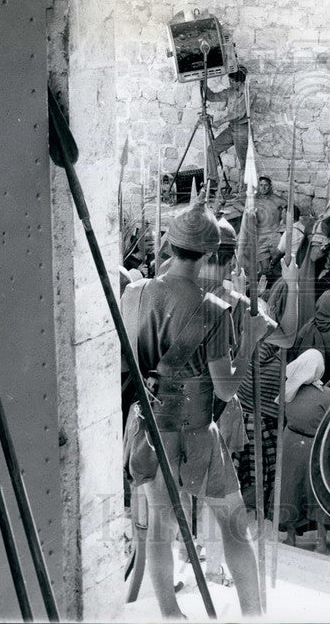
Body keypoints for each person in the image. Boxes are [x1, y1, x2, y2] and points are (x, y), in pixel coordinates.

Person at [120, 198, 267, 618]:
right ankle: (254, 615)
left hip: (149, 428)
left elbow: (130, 362)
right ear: (208, 253)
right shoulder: (215, 311)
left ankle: (170, 614)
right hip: (198, 433)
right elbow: (225, 390)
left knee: (161, 527)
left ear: (170, 244)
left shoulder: (133, 293)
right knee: (234, 526)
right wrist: (251, 339)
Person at [278, 348, 330, 554]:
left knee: (290, 491)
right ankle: (321, 544)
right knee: (317, 494)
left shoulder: (290, 389)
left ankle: (290, 538)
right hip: (314, 448)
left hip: (290, 443)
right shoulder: (326, 396)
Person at [205, 66, 249, 185]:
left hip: (243, 130)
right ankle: (213, 181)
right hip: (232, 128)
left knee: (244, 163)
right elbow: (212, 97)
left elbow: (237, 113)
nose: (230, 84)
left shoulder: (249, 93)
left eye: (232, 82)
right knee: (211, 150)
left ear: (239, 82)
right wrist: (203, 83)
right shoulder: (230, 91)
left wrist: (220, 122)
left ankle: (245, 190)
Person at [254, 175, 286, 270]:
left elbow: (291, 208)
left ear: (270, 186)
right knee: (264, 268)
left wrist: (283, 225)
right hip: (261, 236)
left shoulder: (277, 199)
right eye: (261, 185)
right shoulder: (254, 200)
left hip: (274, 236)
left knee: (278, 265)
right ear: (258, 186)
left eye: (266, 185)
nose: (263, 188)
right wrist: (248, 211)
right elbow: (237, 203)